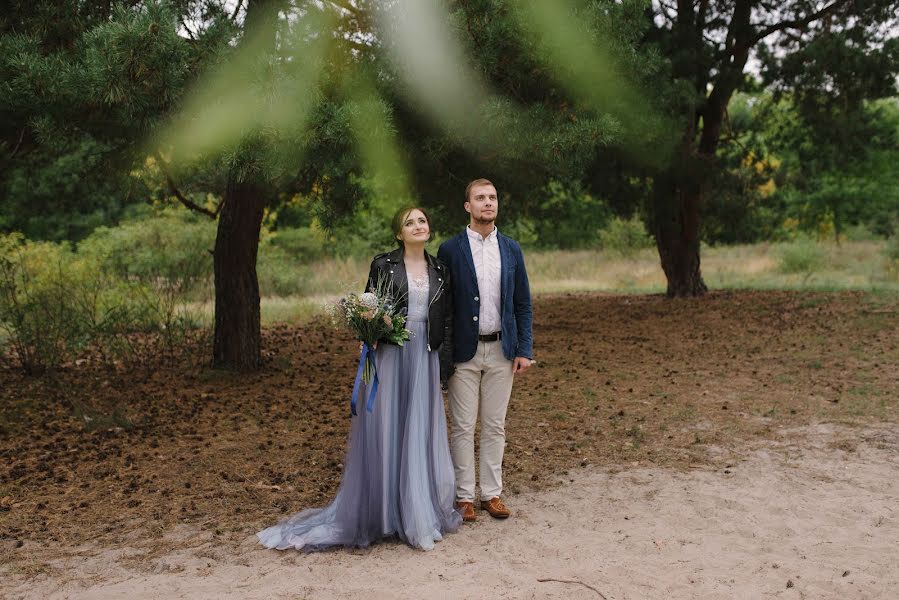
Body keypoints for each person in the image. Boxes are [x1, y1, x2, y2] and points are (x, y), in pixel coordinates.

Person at [257, 207, 460, 551]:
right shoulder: (384, 264)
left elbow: (449, 319)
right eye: (409, 222)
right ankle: (385, 515)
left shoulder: (441, 269)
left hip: (425, 356)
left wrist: (446, 363)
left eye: (422, 220)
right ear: (398, 233)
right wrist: (372, 333)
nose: (417, 226)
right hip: (392, 355)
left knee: (419, 430)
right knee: (388, 428)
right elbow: (371, 310)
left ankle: (418, 514)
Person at [438, 178, 534, 522]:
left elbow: (522, 302)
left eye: (492, 197)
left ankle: (491, 493)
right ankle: (464, 497)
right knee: (463, 426)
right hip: (464, 351)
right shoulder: (450, 250)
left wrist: (524, 348)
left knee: (495, 425)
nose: (487, 203)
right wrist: (442, 355)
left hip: (502, 350)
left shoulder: (511, 249)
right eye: (480, 198)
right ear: (468, 206)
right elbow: (443, 307)